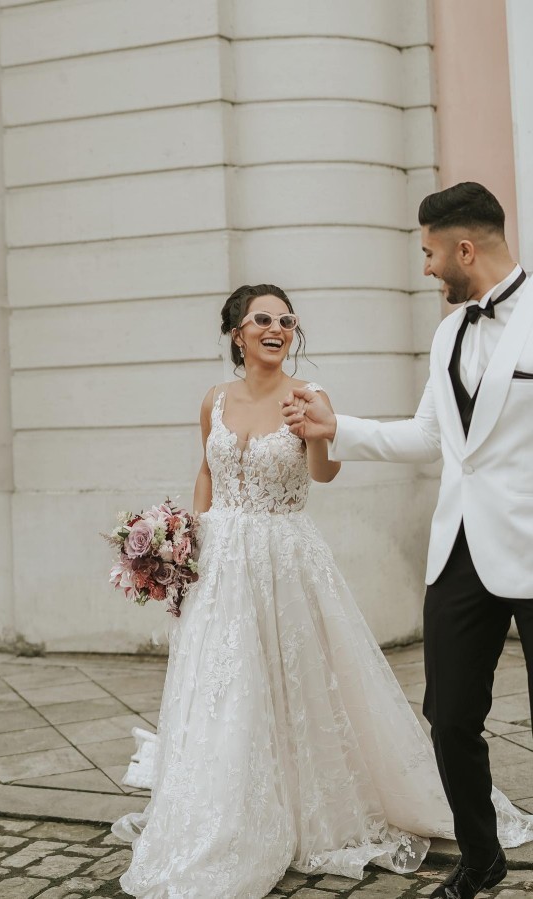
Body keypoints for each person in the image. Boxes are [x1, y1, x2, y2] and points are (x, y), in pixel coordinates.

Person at [113, 281, 533, 899]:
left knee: (296, 680)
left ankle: (311, 805)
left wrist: (314, 430)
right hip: (222, 561)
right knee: (225, 687)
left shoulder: (309, 395)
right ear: (237, 332)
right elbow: (206, 470)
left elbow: (323, 473)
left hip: (285, 555)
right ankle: (226, 811)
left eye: (286, 319)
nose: (276, 328)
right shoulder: (214, 400)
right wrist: (186, 545)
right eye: (262, 319)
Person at [282, 182, 533, 899]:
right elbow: (432, 435)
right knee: (449, 715)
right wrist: (340, 429)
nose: (425, 268)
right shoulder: (448, 333)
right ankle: (481, 858)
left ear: (462, 248)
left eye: (428, 253)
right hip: (458, 549)